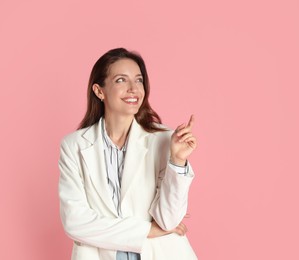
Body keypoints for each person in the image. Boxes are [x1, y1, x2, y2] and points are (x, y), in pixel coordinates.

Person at [58, 48, 198, 260]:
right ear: (99, 91)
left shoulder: (163, 140)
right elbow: (75, 222)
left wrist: (177, 160)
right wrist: (148, 230)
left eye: (139, 80)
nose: (134, 89)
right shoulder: (74, 146)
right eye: (121, 80)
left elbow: (168, 221)